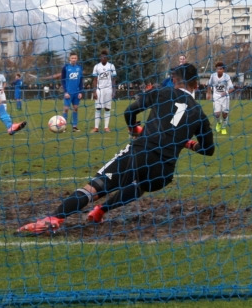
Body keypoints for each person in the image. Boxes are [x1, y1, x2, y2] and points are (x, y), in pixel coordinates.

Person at [16, 63, 215, 236]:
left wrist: (133, 129)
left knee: (96, 186)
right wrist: (188, 143)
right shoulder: (199, 113)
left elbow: (130, 111)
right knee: (140, 185)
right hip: (163, 171)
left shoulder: (163, 92)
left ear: (173, 80)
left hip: (140, 152)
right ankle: (100, 211)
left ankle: (55, 219)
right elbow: (208, 150)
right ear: (196, 84)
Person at [91, 49, 117, 133]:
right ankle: (96, 127)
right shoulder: (96, 66)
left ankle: (106, 127)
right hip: (99, 90)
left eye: (104, 57)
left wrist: (113, 90)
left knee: (107, 108)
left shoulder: (111, 66)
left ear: (107, 58)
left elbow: (114, 79)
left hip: (108, 89)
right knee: (98, 108)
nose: (103, 58)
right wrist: (94, 92)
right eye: (101, 57)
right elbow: (95, 80)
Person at [207, 61, 234, 135]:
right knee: (217, 114)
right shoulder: (213, 76)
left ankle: (224, 127)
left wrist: (226, 92)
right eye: (217, 69)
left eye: (220, 69)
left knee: (225, 114)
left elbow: (232, 88)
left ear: (223, 70)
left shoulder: (226, 77)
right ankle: (219, 123)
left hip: (225, 97)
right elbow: (209, 85)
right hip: (216, 97)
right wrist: (208, 94)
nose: (219, 70)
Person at [61, 52, 84, 132]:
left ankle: (74, 127)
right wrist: (65, 92)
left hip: (76, 92)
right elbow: (63, 80)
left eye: (75, 58)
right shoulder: (66, 67)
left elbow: (81, 81)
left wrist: (80, 92)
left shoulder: (79, 68)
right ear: (69, 59)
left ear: (77, 59)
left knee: (75, 108)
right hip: (68, 92)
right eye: (72, 58)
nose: (74, 60)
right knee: (66, 109)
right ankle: (63, 126)